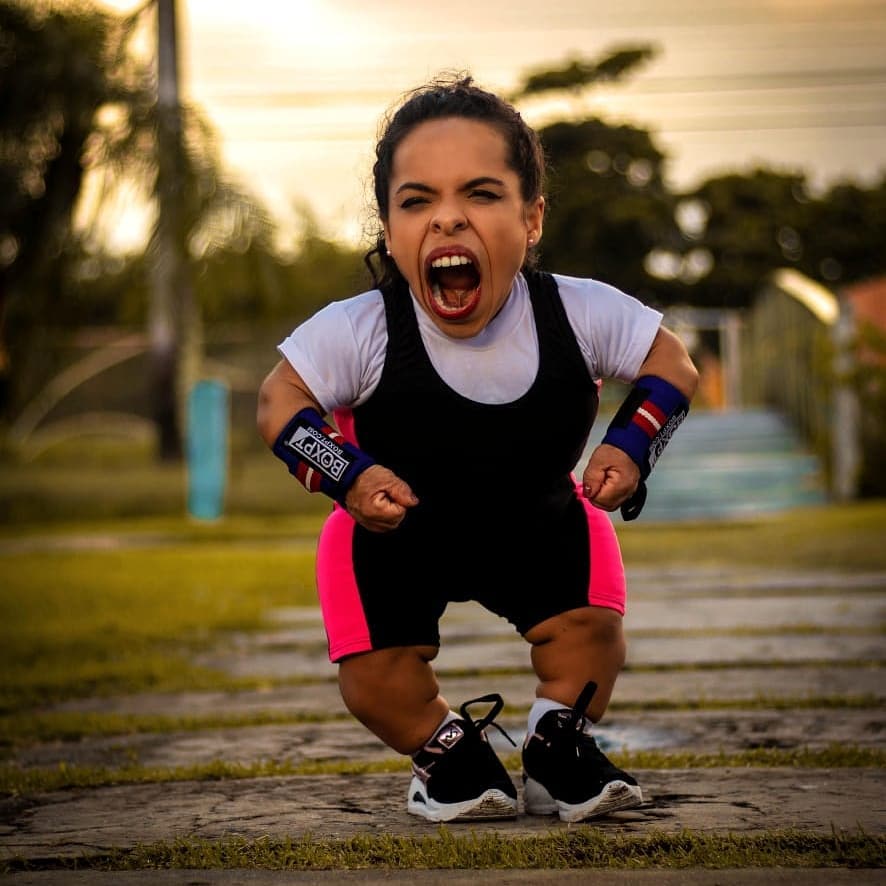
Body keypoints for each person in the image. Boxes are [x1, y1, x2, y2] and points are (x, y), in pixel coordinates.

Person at [257, 74, 699, 824]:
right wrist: (350, 477)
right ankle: (446, 750)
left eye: (482, 195)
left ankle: (557, 744)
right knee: (375, 682)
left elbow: (674, 366)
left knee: (592, 635)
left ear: (532, 218)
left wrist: (631, 447)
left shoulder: (579, 310)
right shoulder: (361, 327)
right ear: (391, 228)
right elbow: (278, 403)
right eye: (418, 200)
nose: (448, 220)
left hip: (537, 524)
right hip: (394, 535)